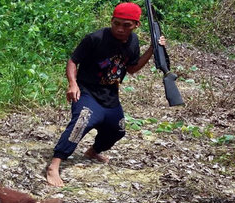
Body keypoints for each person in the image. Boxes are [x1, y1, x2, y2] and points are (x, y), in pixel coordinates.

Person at [46, 2, 166, 187]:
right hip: (87, 91)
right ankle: (54, 165)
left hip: (110, 95)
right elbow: (73, 61)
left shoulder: (133, 42)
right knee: (82, 121)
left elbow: (132, 68)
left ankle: (93, 151)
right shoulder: (95, 38)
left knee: (117, 129)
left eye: (126, 25)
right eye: (116, 23)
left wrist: (152, 49)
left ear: (136, 25)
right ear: (111, 21)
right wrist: (73, 84)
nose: (120, 29)